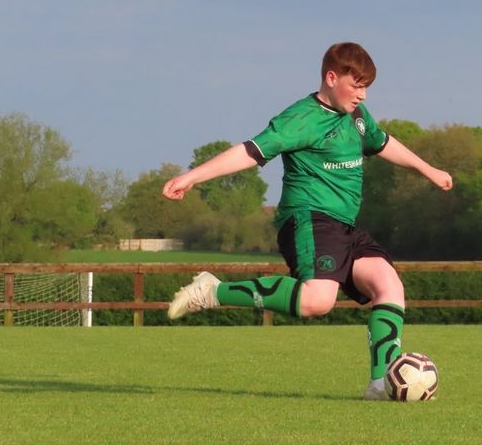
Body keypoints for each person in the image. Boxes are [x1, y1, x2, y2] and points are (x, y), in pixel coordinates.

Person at [162, 42, 453, 400]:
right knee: (317, 301)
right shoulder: (300, 118)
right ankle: (212, 291)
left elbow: (383, 142)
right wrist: (192, 177)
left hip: (343, 226)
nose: (362, 94)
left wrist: (428, 169)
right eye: (356, 84)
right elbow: (251, 150)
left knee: (388, 284)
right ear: (332, 77)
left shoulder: (357, 117)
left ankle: (380, 385)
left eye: (367, 87)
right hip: (309, 220)